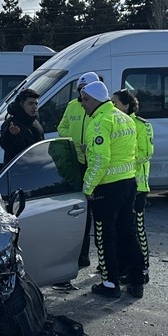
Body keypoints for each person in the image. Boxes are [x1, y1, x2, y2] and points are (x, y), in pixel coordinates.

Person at [80, 80, 145, 299]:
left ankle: (110, 283)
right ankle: (136, 281)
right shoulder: (125, 118)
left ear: (95, 100)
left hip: (107, 187)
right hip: (128, 182)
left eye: (85, 100)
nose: (82, 104)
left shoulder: (100, 122)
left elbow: (101, 158)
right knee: (128, 232)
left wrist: (87, 187)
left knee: (104, 235)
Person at [58, 71, 101, 268]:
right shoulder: (72, 106)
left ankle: (87, 255)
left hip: (92, 162)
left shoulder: (98, 110)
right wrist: (74, 144)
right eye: (81, 89)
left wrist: (89, 145)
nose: (82, 93)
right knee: (77, 211)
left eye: (86, 90)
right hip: (76, 162)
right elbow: (62, 128)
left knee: (92, 213)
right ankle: (78, 255)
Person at [112, 88, 153, 284]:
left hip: (137, 185)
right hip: (121, 184)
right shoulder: (113, 123)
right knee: (123, 230)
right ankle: (124, 267)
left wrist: (123, 160)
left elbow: (145, 154)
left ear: (127, 105)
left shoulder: (141, 126)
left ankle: (143, 267)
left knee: (137, 229)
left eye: (116, 104)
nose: (112, 107)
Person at [0, 88, 44, 164]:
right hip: (17, 170)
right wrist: (11, 134)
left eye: (36, 103)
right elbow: (5, 144)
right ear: (21, 104)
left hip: (36, 167)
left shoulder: (36, 123)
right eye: (30, 103)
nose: (34, 107)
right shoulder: (11, 123)